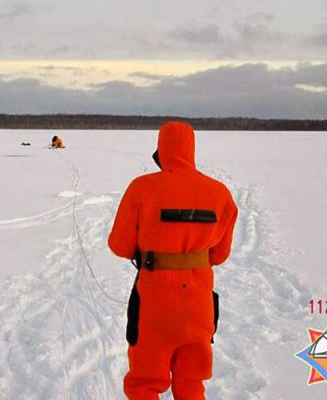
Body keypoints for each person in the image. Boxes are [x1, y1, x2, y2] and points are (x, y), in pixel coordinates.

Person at [108, 121, 238, 400]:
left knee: (144, 384)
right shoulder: (220, 193)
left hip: (154, 305)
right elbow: (220, 255)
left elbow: (119, 245)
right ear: (191, 149)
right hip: (199, 306)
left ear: (161, 148)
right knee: (191, 383)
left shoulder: (142, 188)